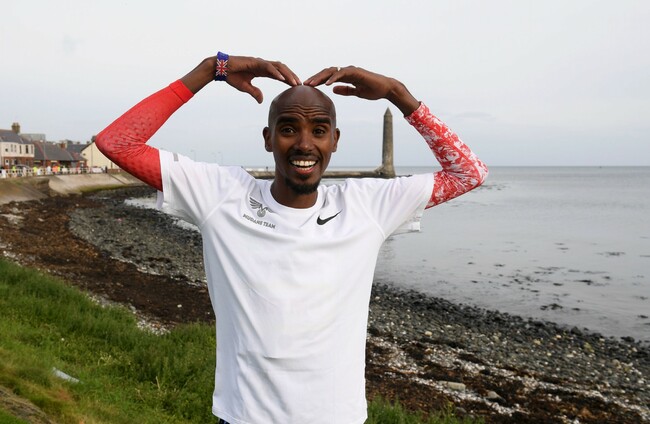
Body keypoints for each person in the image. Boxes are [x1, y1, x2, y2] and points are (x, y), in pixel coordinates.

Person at [96, 52, 487, 424]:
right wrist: (211, 69)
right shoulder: (223, 196)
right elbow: (116, 142)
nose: (304, 144)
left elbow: (470, 173)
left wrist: (397, 94)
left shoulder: (367, 205)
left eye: (319, 131)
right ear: (268, 139)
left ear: (335, 140)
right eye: (288, 129)